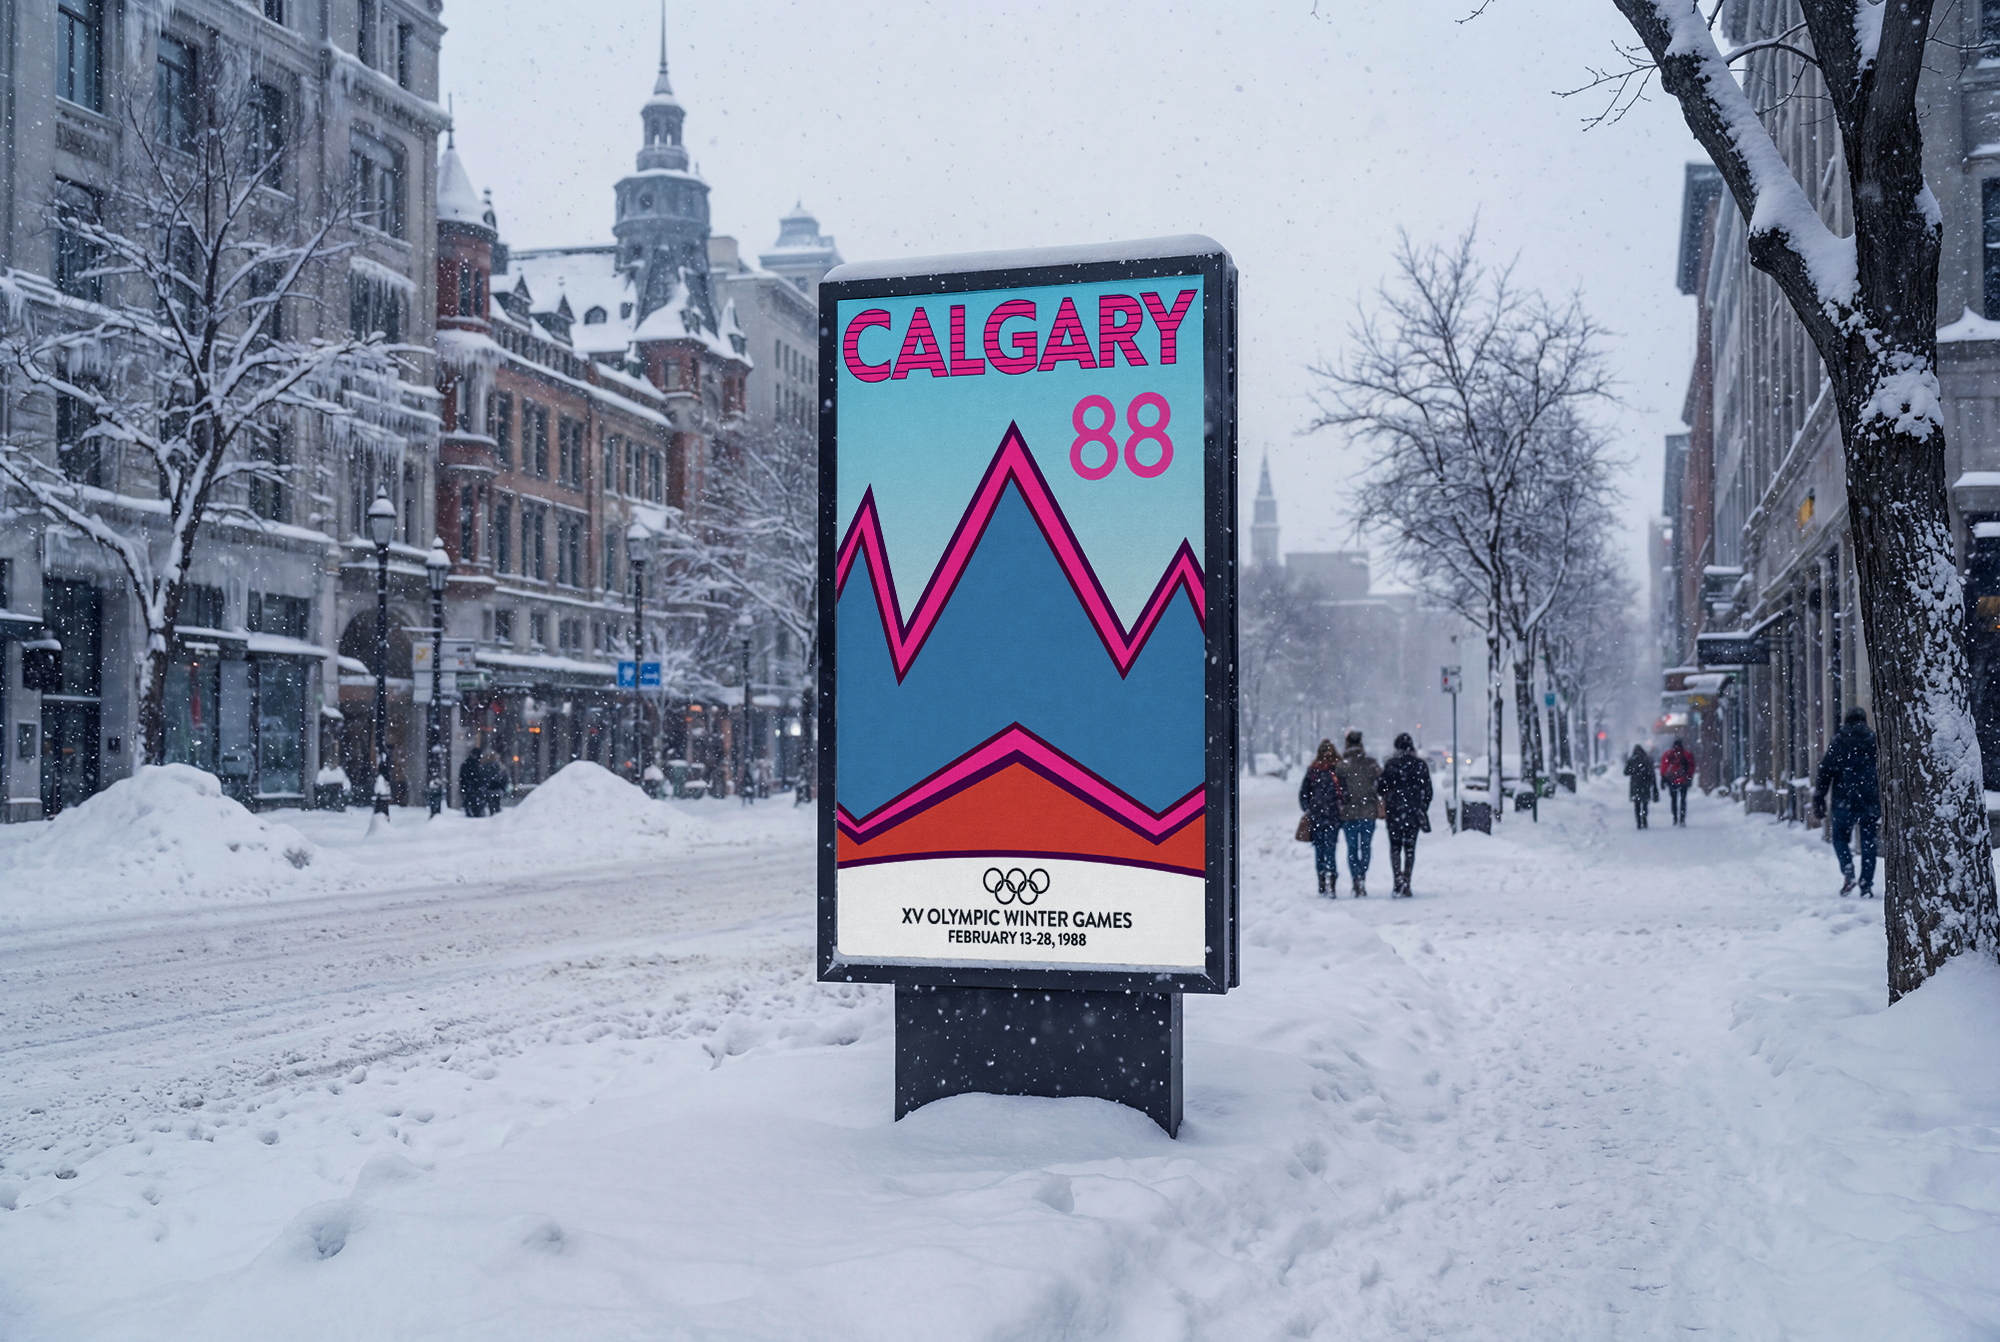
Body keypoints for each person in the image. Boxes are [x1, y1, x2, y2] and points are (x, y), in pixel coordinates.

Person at [1813, 707, 1880, 897]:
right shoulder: (1874, 740)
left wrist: (1819, 797)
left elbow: (1825, 771)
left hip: (1844, 799)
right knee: (1869, 842)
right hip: (1869, 799)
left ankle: (1847, 868)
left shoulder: (1839, 741)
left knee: (1840, 838)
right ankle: (1866, 883)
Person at [1379, 733, 1433, 897]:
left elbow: (1381, 788)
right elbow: (1428, 791)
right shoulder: (1419, 765)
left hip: (1395, 810)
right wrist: (1422, 807)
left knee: (1395, 847)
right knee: (1410, 847)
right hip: (1413, 811)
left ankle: (1397, 879)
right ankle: (1407, 881)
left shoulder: (1391, 764)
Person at [1333, 729, 1383, 897]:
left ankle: (1356, 878)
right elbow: (1381, 783)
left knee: (1352, 848)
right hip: (1368, 812)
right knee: (1366, 847)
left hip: (1349, 814)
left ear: (1347, 744)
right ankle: (1362, 874)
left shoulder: (1341, 766)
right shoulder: (1371, 763)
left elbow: (1336, 790)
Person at [1298, 739, 1347, 897]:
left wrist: (1309, 808)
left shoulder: (1313, 771)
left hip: (1317, 816)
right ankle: (1331, 881)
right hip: (1332, 816)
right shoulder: (1337, 770)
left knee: (1319, 850)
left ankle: (1322, 882)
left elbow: (1303, 793)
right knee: (1330, 849)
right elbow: (1344, 792)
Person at [1659, 737, 1696, 827]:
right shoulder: (1686, 754)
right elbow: (1691, 767)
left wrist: (1663, 778)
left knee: (1674, 800)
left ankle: (1675, 817)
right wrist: (1689, 777)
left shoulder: (1668, 754)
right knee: (1683, 800)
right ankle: (1682, 818)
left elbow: (1664, 766)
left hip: (1672, 780)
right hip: (1683, 780)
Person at [1625, 743, 1658, 829]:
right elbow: (1651, 774)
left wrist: (1634, 771)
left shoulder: (1632, 760)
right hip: (1645, 784)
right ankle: (1644, 818)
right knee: (1645, 803)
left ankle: (1638, 822)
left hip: (1635, 784)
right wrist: (1654, 786)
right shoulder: (1647, 759)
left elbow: (1625, 772)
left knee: (1637, 804)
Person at [458, 749, 485, 818]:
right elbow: (479, 776)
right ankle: (475, 812)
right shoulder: (476, 764)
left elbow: (462, 776)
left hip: (468, 787)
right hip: (473, 787)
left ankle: (470, 812)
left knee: (469, 801)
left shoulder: (466, 763)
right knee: (474, 801)